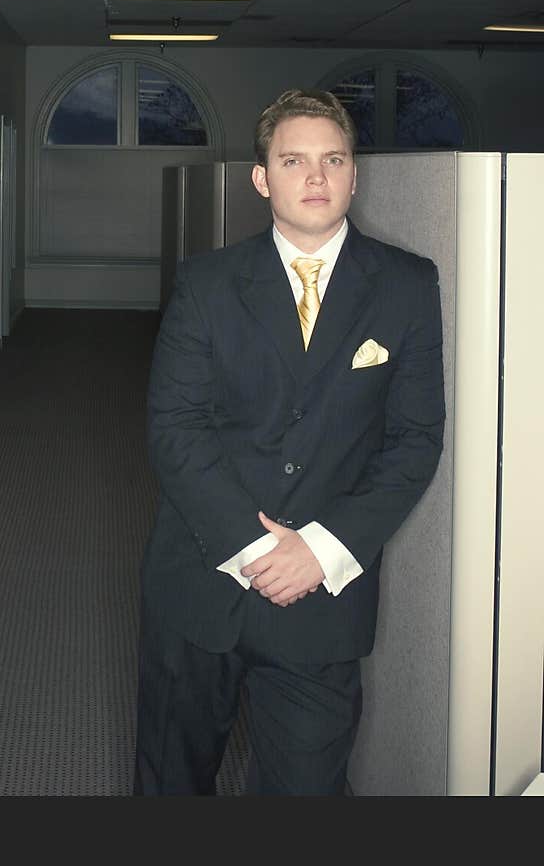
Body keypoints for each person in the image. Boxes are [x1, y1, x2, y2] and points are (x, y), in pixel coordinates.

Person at [133, 88, 445, 796]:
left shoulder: (405, 285)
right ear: (261, 178)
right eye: (294, 160)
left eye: (333, 159)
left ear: (354, 175)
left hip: (322, 597)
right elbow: (174, 427)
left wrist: (320, 551)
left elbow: (415, 439)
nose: (315, 177)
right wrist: (257, 549)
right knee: (170, 784)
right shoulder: (207, 284)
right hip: (200, 583)